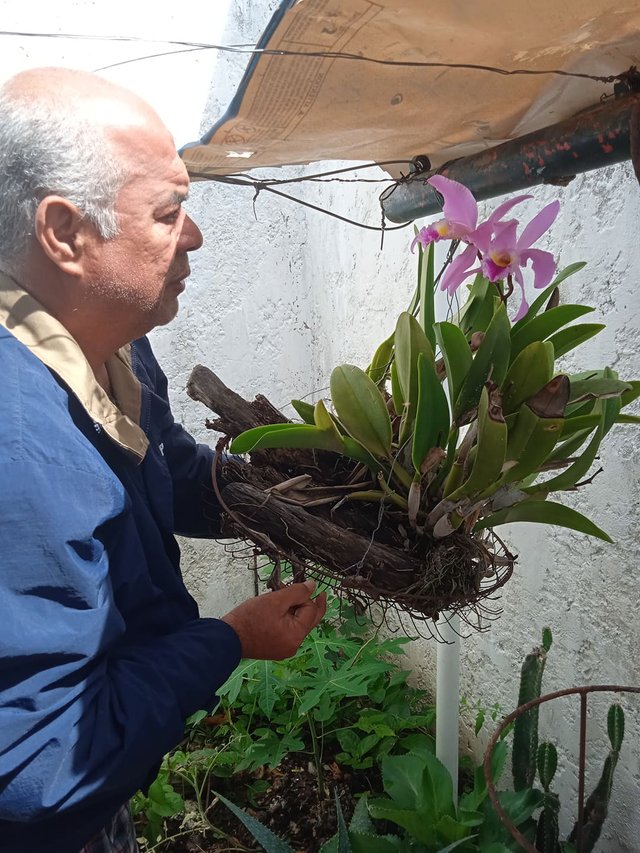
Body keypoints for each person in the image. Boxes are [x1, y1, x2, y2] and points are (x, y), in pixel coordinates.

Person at [0, 67, 327, 853]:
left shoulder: (110, 344)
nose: (195, 236)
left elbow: (166, 469)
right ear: (63, 232)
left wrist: (307, 503)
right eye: (169, 211)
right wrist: (229, 640)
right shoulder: (18, 448)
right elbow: (38, 768)